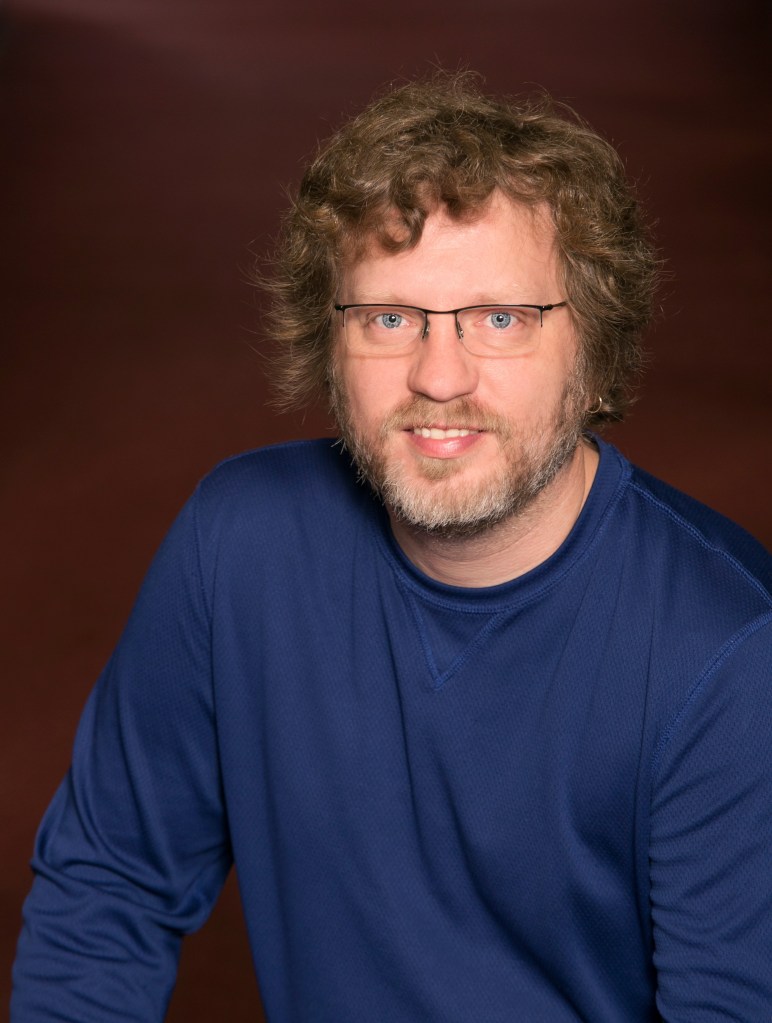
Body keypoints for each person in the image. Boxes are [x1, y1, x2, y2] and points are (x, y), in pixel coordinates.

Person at [11, 72, 772, 1022]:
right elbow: (107, 889)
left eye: (501, 319)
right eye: (390, 318)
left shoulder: (732, 654)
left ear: (593, 350)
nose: (438, 377)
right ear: (331, 344)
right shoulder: (238, 542)